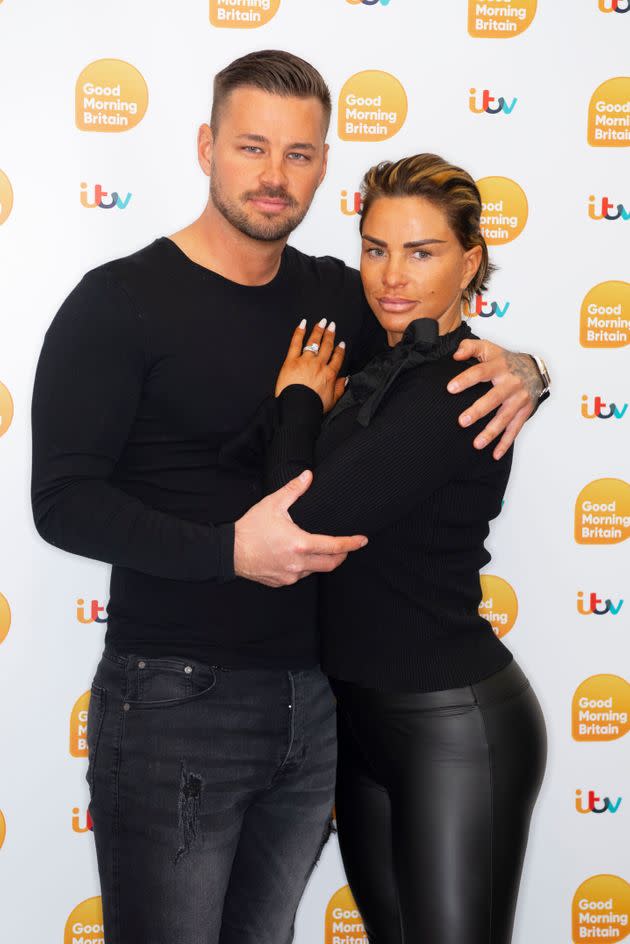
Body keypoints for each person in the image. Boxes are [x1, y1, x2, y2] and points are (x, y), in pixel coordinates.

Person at [30, 51, 549, 944]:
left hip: (316, 707)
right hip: (174, 701)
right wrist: (225, 551)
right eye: (252, 147)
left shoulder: (341, 295)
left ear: (322, 164)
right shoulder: (116, 303)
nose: (275, 177)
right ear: (205, 147)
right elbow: (64, 501)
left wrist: (530, 369)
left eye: (301, 154)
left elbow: (438, 343)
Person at [260, 153, 547, 944]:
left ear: (469, 262)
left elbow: (305, 518)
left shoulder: (462, 385)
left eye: (422, 252)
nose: (391, 275)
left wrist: (295, 405)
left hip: (453, 725)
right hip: (364, 717)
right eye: (376, 247)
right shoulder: (388, 366)